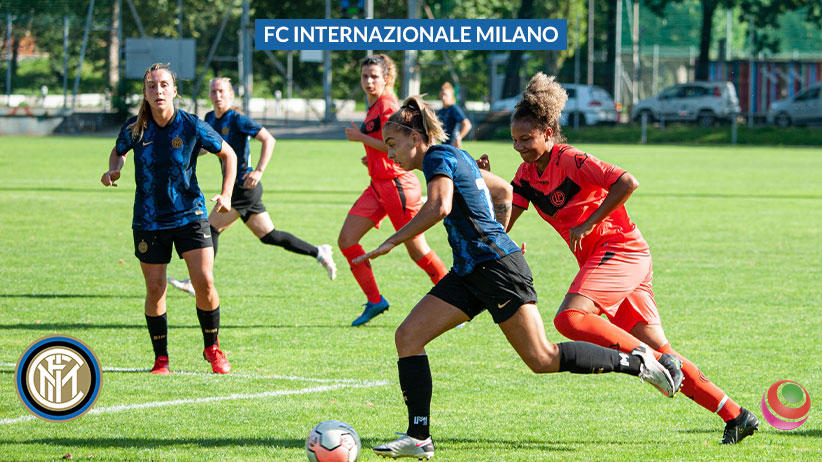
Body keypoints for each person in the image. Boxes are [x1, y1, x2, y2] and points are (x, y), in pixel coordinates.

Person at [355, 95, 684, 459]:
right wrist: (498, 231)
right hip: (470, 270)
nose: (389, 153)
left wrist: (393, 240)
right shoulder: (455, 155)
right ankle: (419, 437)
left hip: (497, 270)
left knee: (541, 358)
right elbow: (502, 189)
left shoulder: (437, 157)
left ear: (415, 138)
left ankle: (637, 362)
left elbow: (439, 206)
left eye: (393, 144)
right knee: (408, 336)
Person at [482, 72, 758, 445]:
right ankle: (737, 415)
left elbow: (627, 182)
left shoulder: (571, 159)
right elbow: (504, 223)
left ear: (548, 132)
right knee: (665, 353)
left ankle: (645, 360)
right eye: (514, 140)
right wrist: (488, 186)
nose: (519, 147)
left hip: (621, 251)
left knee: (570, 319)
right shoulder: (526, 174)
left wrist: (589, 222)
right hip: (607, 262)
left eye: (526, 139)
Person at [101, 63, 237, 375]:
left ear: (174, 90)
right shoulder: (135, 127)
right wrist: (114, 169)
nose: (158, 91)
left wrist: (227, 194)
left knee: (204, 282)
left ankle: (212, 348)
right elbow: (118, 151)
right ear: (145, 93)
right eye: (152, 86)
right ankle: (161, 359)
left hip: (190, 215)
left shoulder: (191, 125)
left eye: (164, 85)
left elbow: (228, 154)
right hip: (148, 220)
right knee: (155, 288)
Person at [167, 77, 336, 297]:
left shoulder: (238, 119)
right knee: (269, 236)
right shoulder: (210, 118)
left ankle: (195, 281)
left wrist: (259, 171)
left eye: (222, 91)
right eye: (213, 91)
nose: (217, 95)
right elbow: (208, 147)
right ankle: (319, 252)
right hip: (239, 188)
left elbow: (269, 139)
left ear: (231, 95)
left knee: (211, 227)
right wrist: (183, 156)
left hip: (244, 187)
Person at [341, 54, 448, 326]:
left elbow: (399, 144)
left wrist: (361, 138)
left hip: (397, 185)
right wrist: (371, 156)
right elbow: (385, 146)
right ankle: (375, 300)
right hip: (377, 185)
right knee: (347, 240)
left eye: (374, 76)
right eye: (365, 76)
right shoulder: (374, 104)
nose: (368, 81)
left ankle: (454, 303)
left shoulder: (387, 104)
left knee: (418, 250)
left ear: (386, 78)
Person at [436, 82, 472, 149]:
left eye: (445, 95)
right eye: (442, 95)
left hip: (453, 147)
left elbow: (467, 125)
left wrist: (459, 138)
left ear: (451, 95)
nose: (443, 98)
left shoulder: (454, 109)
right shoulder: (441, 111)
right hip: (443, 146)